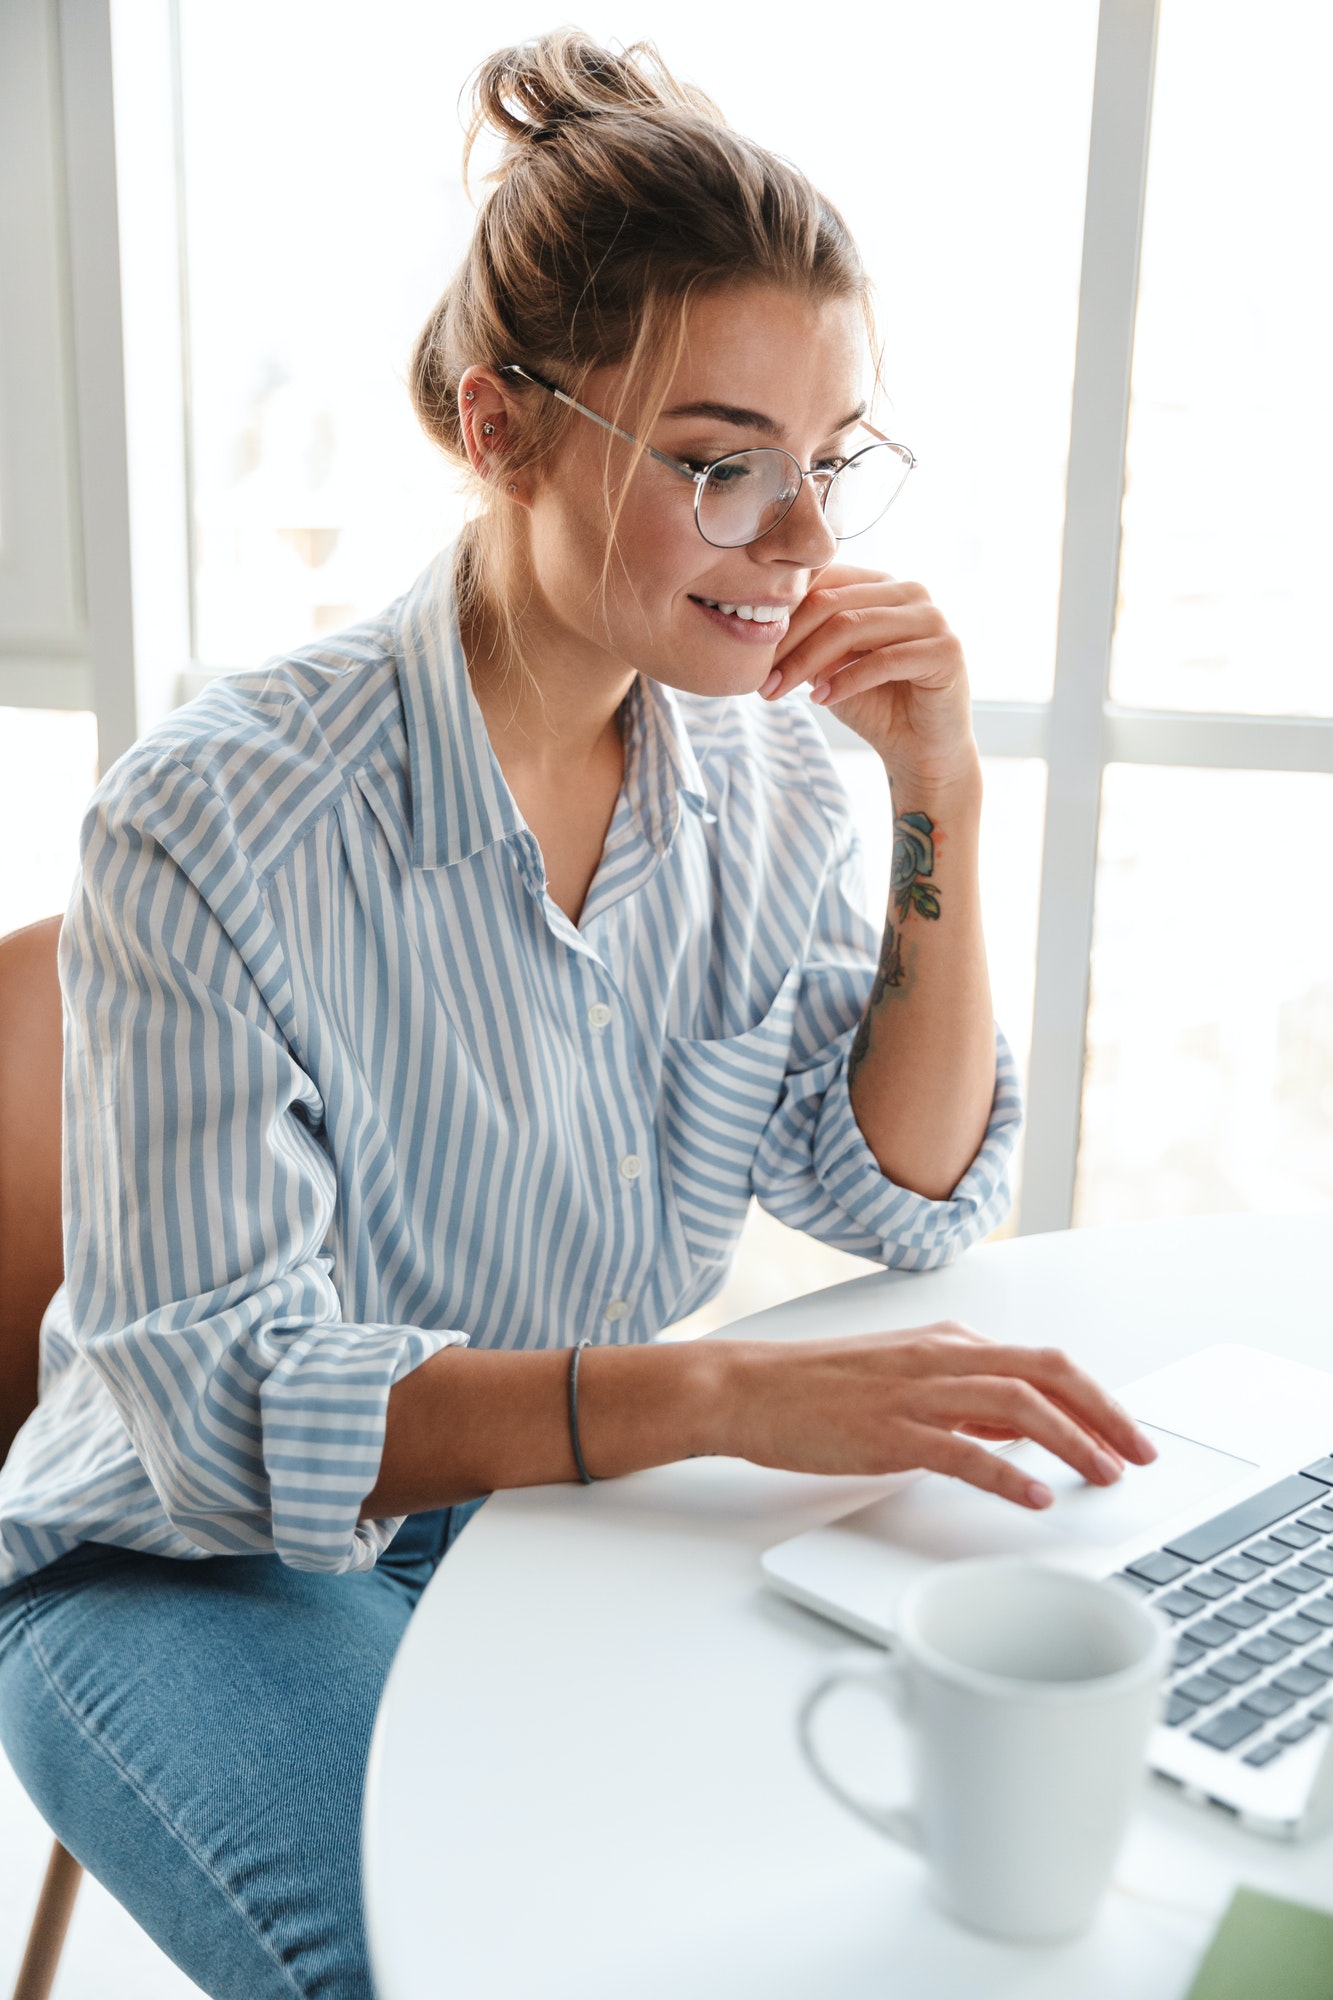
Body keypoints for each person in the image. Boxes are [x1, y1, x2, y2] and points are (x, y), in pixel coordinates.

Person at [0, 31, 1155, 2000]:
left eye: (828, 461)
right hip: (184, 1569)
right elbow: (203, 1409)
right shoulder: (214, 819)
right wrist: (703, 1394)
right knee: (476, 1964)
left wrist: (937, 796)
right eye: (719, 465)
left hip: (556, 1495)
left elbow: (901, 1192)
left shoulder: (774, 778)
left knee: (876, 1892)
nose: (799, 545)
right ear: (499, 427)